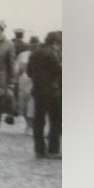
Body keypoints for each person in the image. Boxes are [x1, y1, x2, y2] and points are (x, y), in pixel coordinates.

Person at [28, 31, 62, 159]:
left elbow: (29, 71)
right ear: (55, 42)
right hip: (52, 91)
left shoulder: (35, 52)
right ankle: (53, 150)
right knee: (55, 120)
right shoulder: (53, 54)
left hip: (38, 90)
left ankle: (39, 150)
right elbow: (60, 70)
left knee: (39, 120)